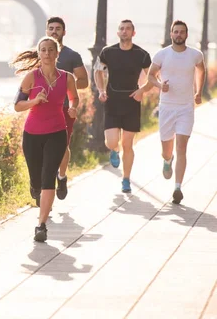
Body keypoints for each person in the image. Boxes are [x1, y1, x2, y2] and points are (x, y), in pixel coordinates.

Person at [12, 36, 79, 242]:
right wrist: (35, 101)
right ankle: (35, 188)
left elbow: (74, 96)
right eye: (43, 50)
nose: (47, 54)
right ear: (39, 54)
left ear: (57, 53)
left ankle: (41, 225)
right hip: (32, 134)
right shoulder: (31, 77)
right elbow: (17, 105)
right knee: (36, 180)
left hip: (57, 131)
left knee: (48, 175)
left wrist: (74, 107)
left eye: (51, 50)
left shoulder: (67, 77)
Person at [134, 20, 205, 204]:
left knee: (182, 147)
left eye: (182, 32)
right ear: (171, 34)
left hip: (186, 107)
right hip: (167, 107)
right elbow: (151, 75)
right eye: (176, 32)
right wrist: (159, 85)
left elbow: (201, 70)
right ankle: (167, 160)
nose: (179, 35)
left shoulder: (195, 55)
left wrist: (198, 92)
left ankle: (178, 187)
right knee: (167, 149)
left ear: (186, 35)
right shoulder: (162, 54)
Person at [94, 19, 151, 193]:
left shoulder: (142, 55)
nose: (124, 31)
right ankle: (113, 150)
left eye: (128, 29)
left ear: (133, 33)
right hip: (112, 101)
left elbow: (154, 76)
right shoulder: (107, 52)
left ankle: (126, 179)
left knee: (128, 144)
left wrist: (142, 90)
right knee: (111, 142)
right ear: (117, 32)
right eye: (121, 29)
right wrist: (101, 90)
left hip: (132, 102)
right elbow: (98, 71)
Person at [46, 17, 89, 200]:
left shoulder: (72, 56)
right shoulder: (39, 53)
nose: (54, 31)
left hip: (65, 107)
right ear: (46, 31)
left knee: (62, 145)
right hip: (42, 109)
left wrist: (64, 87)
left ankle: (61, 177)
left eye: (58, 28)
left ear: (64, 32)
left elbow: (84, 81)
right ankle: (43, 183)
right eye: (51, 28)